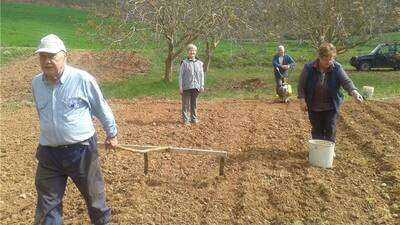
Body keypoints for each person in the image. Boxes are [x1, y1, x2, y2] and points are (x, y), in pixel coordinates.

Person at [32, 34, 118, 225]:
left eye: (52, 56)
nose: (46, 61)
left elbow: (101, 108)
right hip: (48, 154)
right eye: (42, 56)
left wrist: (111, 133)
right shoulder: (36, 83)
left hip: (81, 151)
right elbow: (42, 113)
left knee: (95, 201)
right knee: (47, 208)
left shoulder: (82, 79)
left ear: (64, 56)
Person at [298, 42, 363, 143]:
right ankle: (318, 150)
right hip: (314, 105)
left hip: (331, 105)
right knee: (317, 129)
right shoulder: (309, 68)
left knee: (330, 128)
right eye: (326, 59)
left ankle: (329, 151)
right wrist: (302, 100)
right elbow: (301, 85)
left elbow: (346, 81)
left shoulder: (337, 68)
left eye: (331, 58)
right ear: (319, 57)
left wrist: (354, 92)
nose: (329, 62)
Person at [178, 44, 205, 125]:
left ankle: (194, 119)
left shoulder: (200, 63)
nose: (192, 52)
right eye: (191, 50)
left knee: (194, 104)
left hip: (196, 87)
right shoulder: (184, 63)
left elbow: (201, 75)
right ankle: (185, 120)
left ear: (196, 52)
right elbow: (180, 75)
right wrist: (180, 86)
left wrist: (202, 85)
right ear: (188, 52)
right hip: (186, 87)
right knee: (185, 104)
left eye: (194, 50)